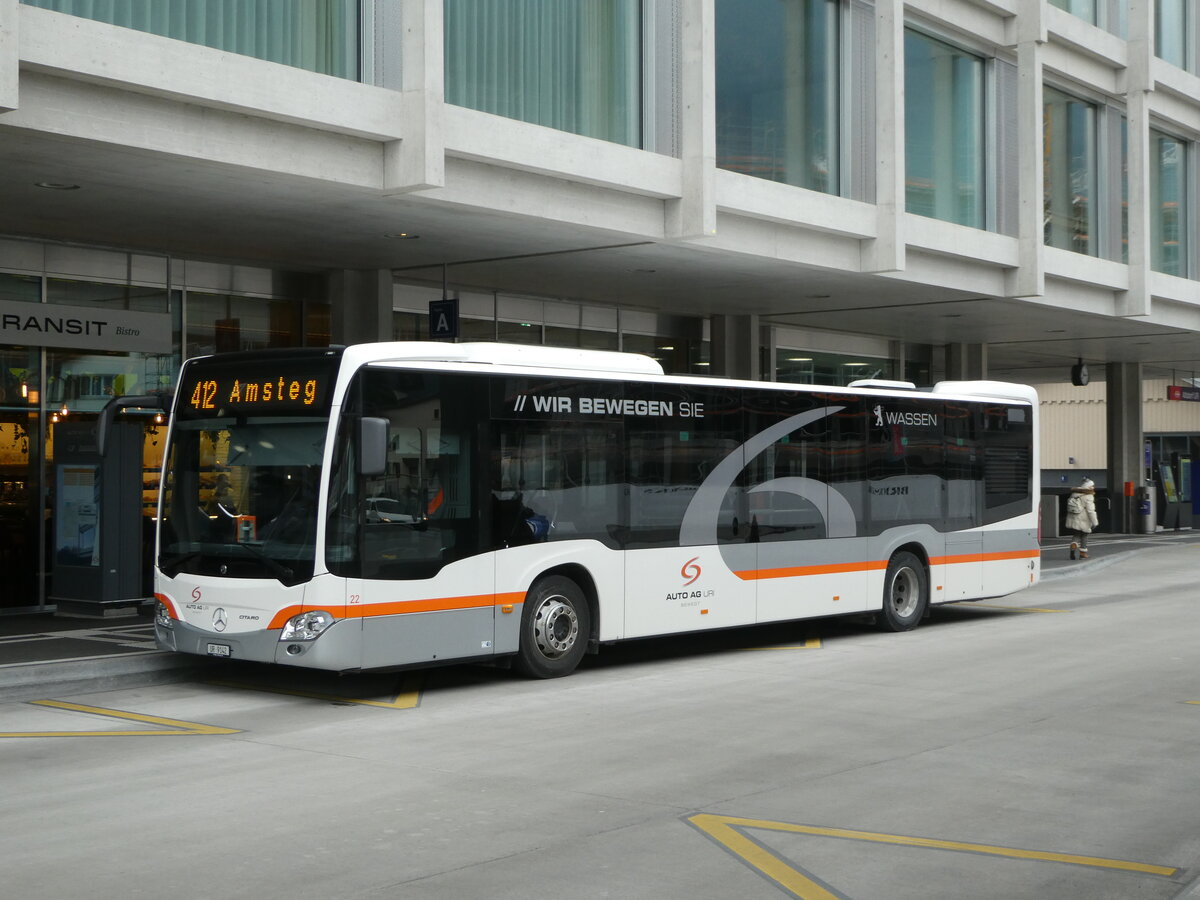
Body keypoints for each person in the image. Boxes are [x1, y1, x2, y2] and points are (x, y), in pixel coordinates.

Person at [1065, 476, 1099, 559]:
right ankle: (1083, 554)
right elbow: (1091, 511)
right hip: (1084, 519)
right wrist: (1095, 522)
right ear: (1088, 486)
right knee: (1084, 535)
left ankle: (1073, 546)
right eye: (1091, 486)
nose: (1093, 487)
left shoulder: (1074, 494)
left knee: (1076, 534)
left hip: (1074, 517)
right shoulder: (1089, 496)